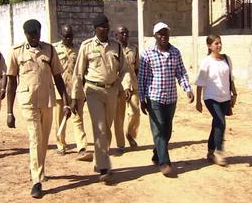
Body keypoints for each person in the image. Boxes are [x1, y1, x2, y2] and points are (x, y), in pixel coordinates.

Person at [6, 19, 71, 198]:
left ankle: (37, 169)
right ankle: (37, 180)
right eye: (32, 34)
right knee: (35, 138)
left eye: (37, 33)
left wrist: (65, 101)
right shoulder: (16, 51)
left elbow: (58, 77)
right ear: (26, 34)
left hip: (47, 100)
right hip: (27, 101)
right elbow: (11, 82)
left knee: (43, 140)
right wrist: (9, 112)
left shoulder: (49, 50)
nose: (35, 37)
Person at [71, 14, 131, 182]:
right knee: (100, 128)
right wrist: (75, 97)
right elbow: (78, 73)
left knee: (107, 128)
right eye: (102, 26)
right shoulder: (86, 46)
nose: (105, 29)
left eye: (107, 25)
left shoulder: (116, 47)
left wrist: (125, 86)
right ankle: (104, 166)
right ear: (95, 29)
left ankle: (99, 160)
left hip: (111, 91)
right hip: (93, 91)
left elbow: (125, 69)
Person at [138, 22, 194, 177]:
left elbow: (181, 72)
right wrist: (142, 98)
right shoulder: (147, 54)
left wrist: (187, 89)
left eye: (165, 33)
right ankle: (165, 163)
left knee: (167, 130)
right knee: (158, 129)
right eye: (160, 34)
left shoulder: (175, 52)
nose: (163, 36)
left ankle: (157, 154)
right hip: (154, 97)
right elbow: (141, 78)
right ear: (155, 36)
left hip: (171, 98)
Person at [195, 34, 237, 166]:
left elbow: (230, 78)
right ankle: (219, 152)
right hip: (211, 97)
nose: (219, 45)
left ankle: (210, 152)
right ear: (209, 46)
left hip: (225, 97)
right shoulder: (206, 61)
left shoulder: (226, 59)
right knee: (220, 122)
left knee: (216, 124)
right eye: (216, 43)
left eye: (220, 43)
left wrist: (234, 94)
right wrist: (198, 101)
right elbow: (200, 82)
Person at [53, 24, 93, 161]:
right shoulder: (55, 49)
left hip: (76, 89)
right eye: (66, 36)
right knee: (60, 119)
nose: (69, 39)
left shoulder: (79, 50)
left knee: (78, 118)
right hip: (60, 90)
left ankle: (81, 147)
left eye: (70, 36)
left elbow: (84, 71)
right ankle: (61, 144)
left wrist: (84, 90)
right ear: (61, 35)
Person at [113, 26, 140, 154]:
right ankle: (120, 144)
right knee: (119, 117)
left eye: (126, 33)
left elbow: (137, 68)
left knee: (135, 112)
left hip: (133, 85)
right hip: (119, 87)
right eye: (122, 33)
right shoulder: (112, 50)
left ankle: (129, 133)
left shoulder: (134, 48)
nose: (124, 35)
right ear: (116, 35)